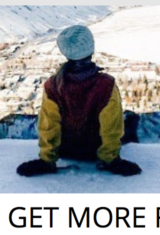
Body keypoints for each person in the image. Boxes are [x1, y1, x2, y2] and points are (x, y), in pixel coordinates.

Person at [17, 25, 142, 177]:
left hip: (66, 150)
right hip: (95, 151)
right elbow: (111, 127)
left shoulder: (53, 85)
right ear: (91, 48)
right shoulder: (106, 84)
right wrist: (111, 159)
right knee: (128, 119)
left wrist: (46, 159)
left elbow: (49, 125)